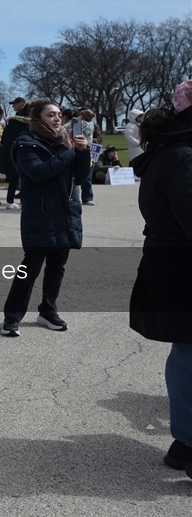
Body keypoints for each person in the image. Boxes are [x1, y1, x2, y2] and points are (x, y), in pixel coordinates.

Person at [128, 80, 192, 477]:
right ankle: (186, 442)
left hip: (171, 264)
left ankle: (185, 442)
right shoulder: (184, 155)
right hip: (182, 266)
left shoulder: (171, 150)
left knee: (186, 352)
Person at [0, 100, 89, 337]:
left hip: (66, 212)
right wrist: (68, 151)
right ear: (37, 118)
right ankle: (12, 317)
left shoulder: (65, 142)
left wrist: (82, 151)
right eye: (51, 115)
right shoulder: (26, 143)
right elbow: (39, 173)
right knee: (30, 268)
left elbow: (79, 178)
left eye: (59, 115)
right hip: (40, 214)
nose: (58, 119)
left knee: (57, 267)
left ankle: (48, 311)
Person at [0, 98, 30, 209]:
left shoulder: (11, 124)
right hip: (25, 153)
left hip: (11, 154)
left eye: (14, 104)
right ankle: (24, 201)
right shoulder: (28, 124)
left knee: (14, 178)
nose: (13, 106)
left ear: (21, 104)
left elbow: (4, 139)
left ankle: (10, 201)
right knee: (25, 178)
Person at [78, 107, 101, 205]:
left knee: (88, 176)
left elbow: (99, 138)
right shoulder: (76, 123)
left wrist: (92, 141)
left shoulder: (95, 126)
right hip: (76, 148)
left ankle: (87, 197)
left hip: (90, 151)